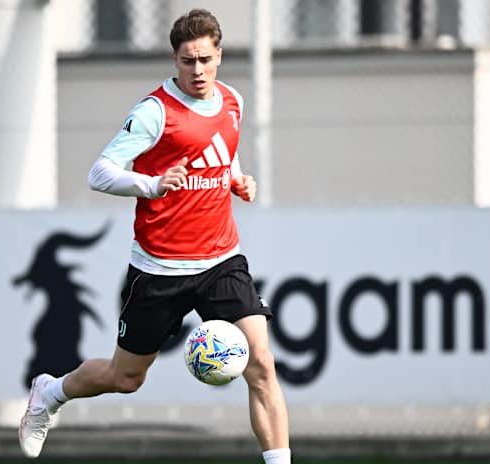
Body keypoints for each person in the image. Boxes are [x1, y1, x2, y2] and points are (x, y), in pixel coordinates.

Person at [18, 9, 291, 464]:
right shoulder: (154, 113)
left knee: (261, 363)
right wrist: (151, 183)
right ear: (175, 59)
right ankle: (50, 392)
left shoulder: (232, 101)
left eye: (205, 59)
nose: (198, 70)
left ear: (219, 55)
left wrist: (235, 180)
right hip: (160, 269)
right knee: (126, 377)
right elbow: (99, 172)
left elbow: (223, 152)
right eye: (188, 61)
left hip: (221, 260)